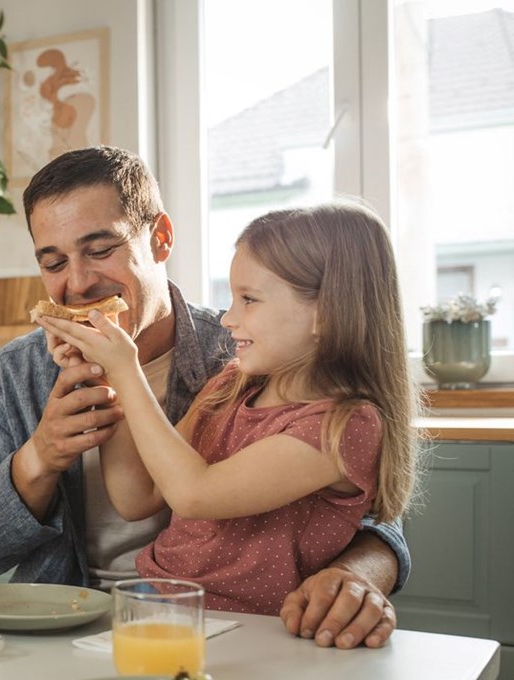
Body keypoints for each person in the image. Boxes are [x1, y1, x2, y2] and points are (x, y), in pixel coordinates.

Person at [0, 145, 410, 648]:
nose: (77, 283)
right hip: (67, 618)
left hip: (236, 629)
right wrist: (38, 458)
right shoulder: (19, 372)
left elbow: (372, 514)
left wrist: (359, 574)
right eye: (54, 262)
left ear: (161, 237)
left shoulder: (245, 355)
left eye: (101, 250)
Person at [37, 202, 419, 616]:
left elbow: (193, 494)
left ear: (325, 312)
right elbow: (136, 495)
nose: (228, 319)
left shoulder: (342, 428)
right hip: (154, 602)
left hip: (249, 628)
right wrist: (104, 376)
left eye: (249, 300)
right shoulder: (232, 386)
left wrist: (124, 367)